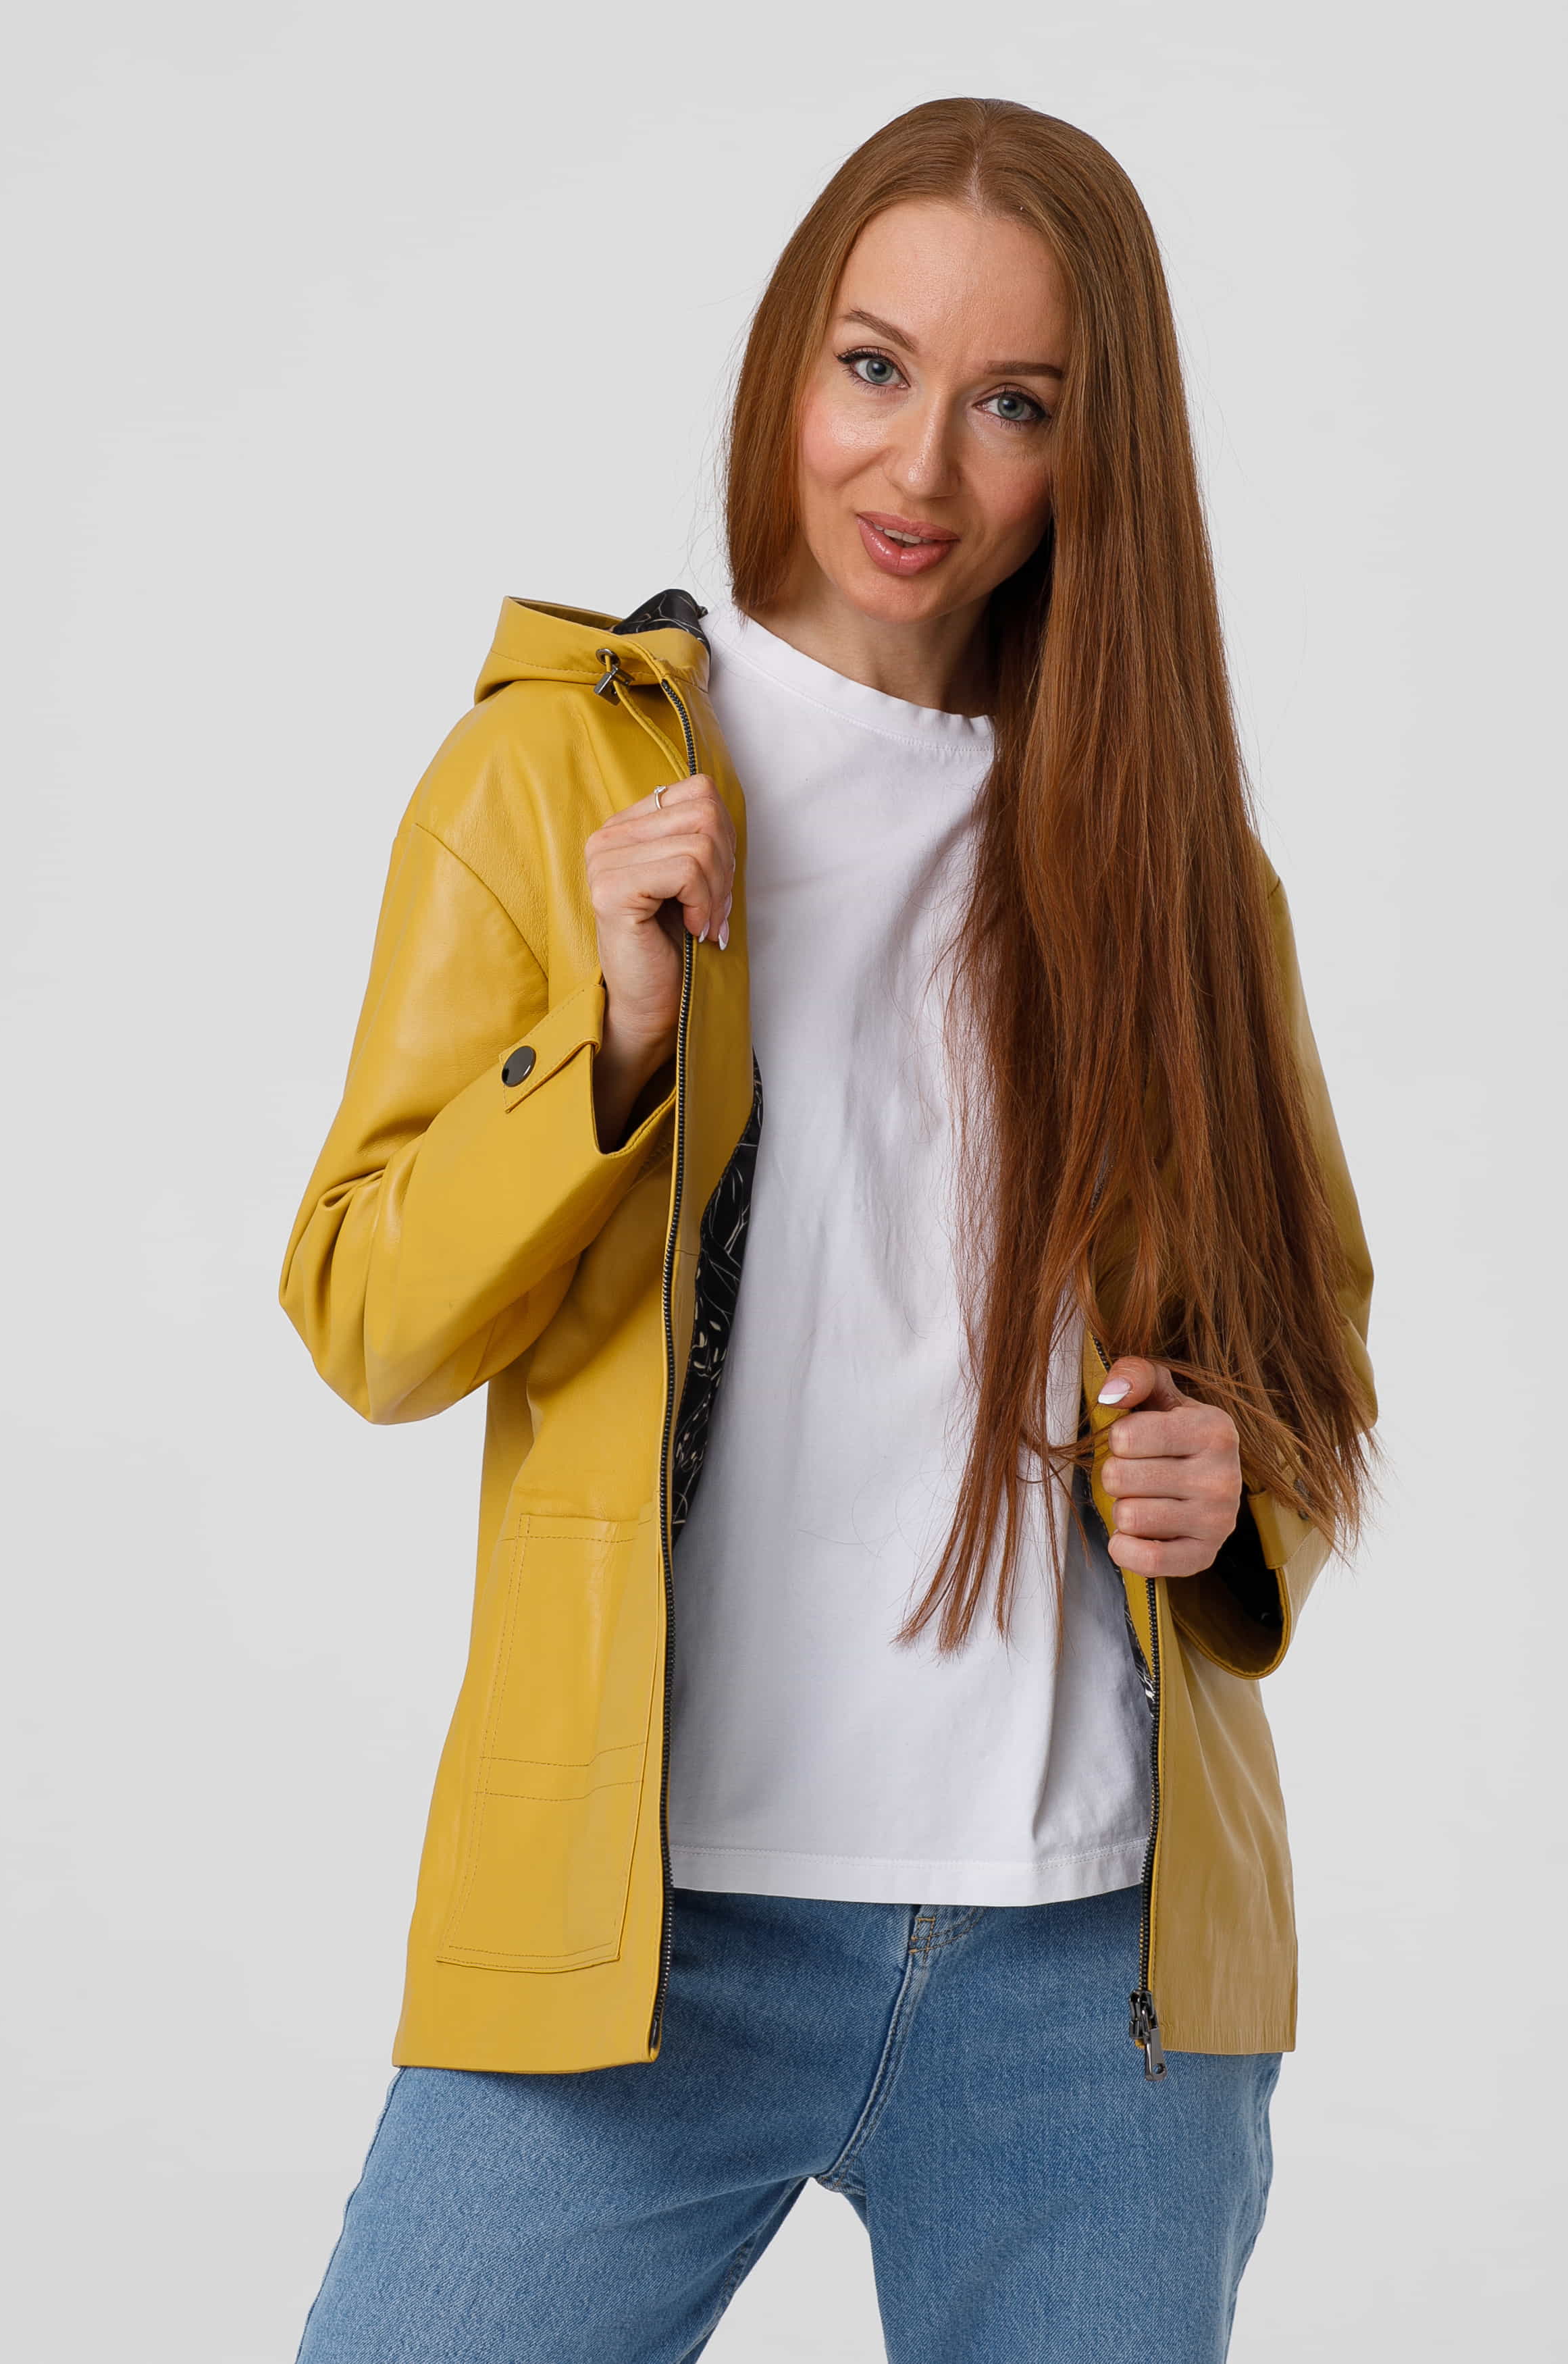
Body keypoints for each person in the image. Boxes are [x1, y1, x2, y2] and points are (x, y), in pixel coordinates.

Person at [278, 95, 1376, 2364]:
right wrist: (610, 1043)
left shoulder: (1177, 869)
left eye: (1013, 405)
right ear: (788, 360)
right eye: (873, 368)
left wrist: (1229, 1479)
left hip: (1090, 1973)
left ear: (1093, 455)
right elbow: (371, 1312)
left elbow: (1302, 1358)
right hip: (637, 1938)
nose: (920, 467)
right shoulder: (556, 778)